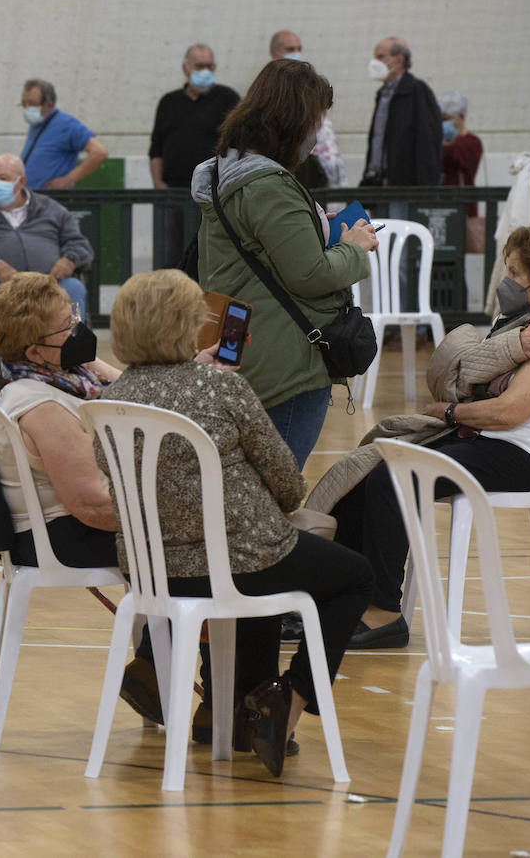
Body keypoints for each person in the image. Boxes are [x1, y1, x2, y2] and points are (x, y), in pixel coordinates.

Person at [102, 269, 373, 777]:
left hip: (152, 570)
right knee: (351, 576)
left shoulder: (109, 401)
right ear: (188, 327)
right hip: (239, 561)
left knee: (259, 569)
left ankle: (232, 711)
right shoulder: (221, 389)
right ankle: (285, 702)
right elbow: (289, 488)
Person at [332, 226, 530, 649]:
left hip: (524, 455)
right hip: (487, 439)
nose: (505, 280)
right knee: (364, 475)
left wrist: (448, 412)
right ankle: (345, 599)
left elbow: (510, 410)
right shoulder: (522, 320)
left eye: (514, 272)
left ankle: (384, 612)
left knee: (395, 477)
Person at [192, 58, 378, 467]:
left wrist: (315, 229)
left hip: (242, 336)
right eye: (316, 119)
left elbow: (265, 249)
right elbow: (310, 275)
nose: (317, 132)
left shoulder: (230, 173)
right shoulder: (269, 185)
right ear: (295, 119)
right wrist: (355, 247)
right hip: (286, 360)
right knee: (275, 493)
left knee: (244, 485)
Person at [0, 273, 120, 569]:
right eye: (67, 326)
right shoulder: (43, 407)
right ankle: (169, 616)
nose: (78, 329)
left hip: (68, 526)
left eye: (74, 316)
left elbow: (129, 395)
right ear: (34, 352)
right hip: (66, 538)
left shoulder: (49, 375)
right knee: (211, 535)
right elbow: (92, 506)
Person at [150, 45, 241, 266]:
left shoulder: (228, 98)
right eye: (200, 66)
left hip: (215, 193)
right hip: (175, 194)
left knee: (212, 254)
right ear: (185, 68)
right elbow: (156, 148)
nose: (205, 70)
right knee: (173, 254)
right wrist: (159, 185)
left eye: (210, 66)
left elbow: (239, 145)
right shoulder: (169, 102)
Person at [0, 154, 94, 318]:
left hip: (52, 284)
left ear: (22, 181)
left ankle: (72, 342)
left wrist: (70, 259)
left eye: (4, 179)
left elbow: (79, 242)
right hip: (2, 286)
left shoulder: (51, 208)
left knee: (74, 287)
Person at [268, 30, 346, 189]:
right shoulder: (270, 93)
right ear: (273, 53)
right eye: (290, 49)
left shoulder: (308, 88)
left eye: (298, 49)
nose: (296, 54)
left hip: (320, 175)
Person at [361, 37, 443, 187]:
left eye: (380, 57)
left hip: (405, 186)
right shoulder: (383, 95)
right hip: (378, 183)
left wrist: (426, 186)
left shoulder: (417, 90)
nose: (374, 62)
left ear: (399, 60)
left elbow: (428, 139)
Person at [18, 78, 109, 191]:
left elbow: (99, 152)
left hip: (51, 202)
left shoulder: (67, 125)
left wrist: (68, 179)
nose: (26, 108)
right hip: (31, 198)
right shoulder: (36, 125)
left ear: (49, 104)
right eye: (23, 104)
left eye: (32, 104)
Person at [440, 90, 484, 224]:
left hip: (463, 203)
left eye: (447, 118)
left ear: (460, 116)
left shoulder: (472, 142)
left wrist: (444, 144)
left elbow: (456, 158)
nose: (443, 122)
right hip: (440, 201)